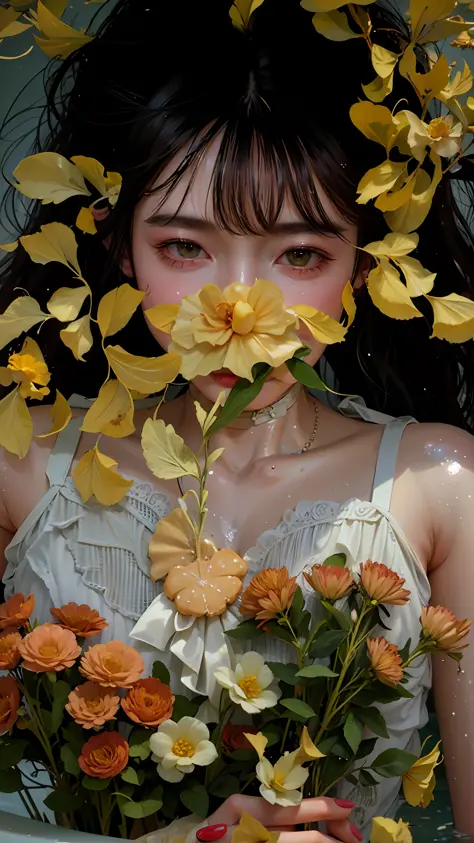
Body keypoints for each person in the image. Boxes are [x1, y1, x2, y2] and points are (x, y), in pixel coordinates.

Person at [1, 0, 474, 841]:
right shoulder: (20, 461)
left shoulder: (443, 487)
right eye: (185, 246)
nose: (238, 310)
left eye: (300, 255)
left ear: (365, 267)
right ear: (114, 245)